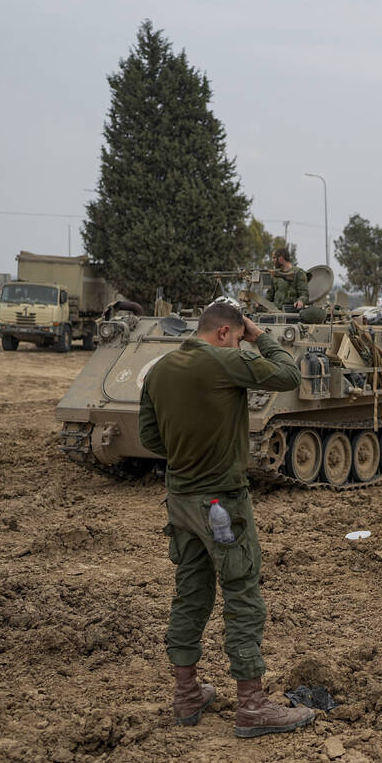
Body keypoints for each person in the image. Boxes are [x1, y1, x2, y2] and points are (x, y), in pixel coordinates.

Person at [139, 301, 315, 738]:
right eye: (235, 335)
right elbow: (290, 375)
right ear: (223, 333)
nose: (239, 341)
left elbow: (148, 436)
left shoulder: (159, 369)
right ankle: (252, 708)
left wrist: (188, 453)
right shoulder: (227, 359)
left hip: (180, 500)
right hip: (222, 503)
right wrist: (258, 336)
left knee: (191, 592)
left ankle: (186, 695)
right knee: (242, 595)